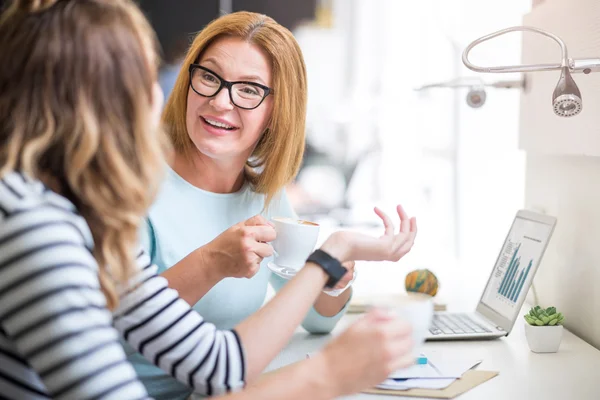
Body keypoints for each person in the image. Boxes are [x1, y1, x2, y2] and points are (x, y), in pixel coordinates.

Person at [0, 1, 418, 399]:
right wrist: (326, 374)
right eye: (147, 78)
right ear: (105, 104)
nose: (160, 93)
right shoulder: (39, 226)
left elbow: (218, 366)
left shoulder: (66, 213)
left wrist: (334, 259)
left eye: (249, 90)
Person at [128, 11, 418, 399]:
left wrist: (334, 280)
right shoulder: (130, 186)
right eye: (210, 77)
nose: (219, 101)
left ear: (276, 112)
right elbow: (118, 319)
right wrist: (211, 262)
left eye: (248, 90)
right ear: (188, 80)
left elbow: (317, 319)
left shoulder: (266, 197)